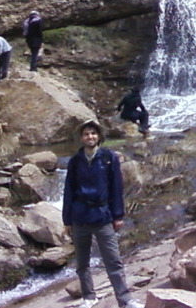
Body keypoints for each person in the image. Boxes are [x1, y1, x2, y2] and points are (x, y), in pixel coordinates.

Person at [62, 120, 143, 308]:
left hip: (103, 215)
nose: (90, 137)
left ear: (99, 136)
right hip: (80, 216)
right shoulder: (75, 161)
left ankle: (125, 300)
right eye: (86, 134)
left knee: (113, 260)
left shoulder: (109, 157)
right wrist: (67, 220)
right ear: (81, 138)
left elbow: (116, 187)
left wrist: (118, 215)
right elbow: (69, 191)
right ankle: (89, 297)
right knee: (82, 263)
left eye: (93, 133)